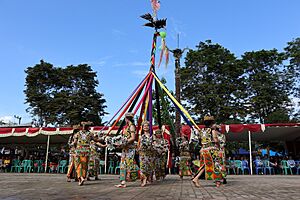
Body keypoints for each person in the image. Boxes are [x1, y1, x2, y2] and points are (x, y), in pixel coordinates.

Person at [192, 115, 223, 188]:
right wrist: (218, 145)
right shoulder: (212, 130)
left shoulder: (201, 131)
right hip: (211, 150)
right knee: (216, 165)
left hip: (203, 150)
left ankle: (196, 178)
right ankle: (217, 181)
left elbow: (199, 141)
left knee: (205, 165)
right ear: (212, 122)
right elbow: (215, 139)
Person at [115, 112, 138, 188]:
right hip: (125, 149)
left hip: (130, 149)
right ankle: (123, 182)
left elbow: (133, 138)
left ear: (126, 119)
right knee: (123, 165)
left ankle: (142, 176)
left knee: (130, 165)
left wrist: (124, 143)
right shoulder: (127, 127)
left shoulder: (131, 126)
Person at [73, 121, 92, 186]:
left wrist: (75, 148)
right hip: (86, 151)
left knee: (78, 165)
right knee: (84, 166)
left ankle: (80, 177)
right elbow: (96, 140)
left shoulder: (78, 134)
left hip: (78, 151)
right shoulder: (90, 134)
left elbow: (75, 142)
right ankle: (83, 177)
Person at [138, 121, 154, 187]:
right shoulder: (141, 136)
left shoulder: (152, 136)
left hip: (150, 153)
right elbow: (139, 145)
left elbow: (154, 144)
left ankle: (148, 178)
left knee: (149, 167)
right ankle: (143, 179)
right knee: (142, 167)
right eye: (144, 126)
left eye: (147, 126)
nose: (146, 127)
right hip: (142, 154)